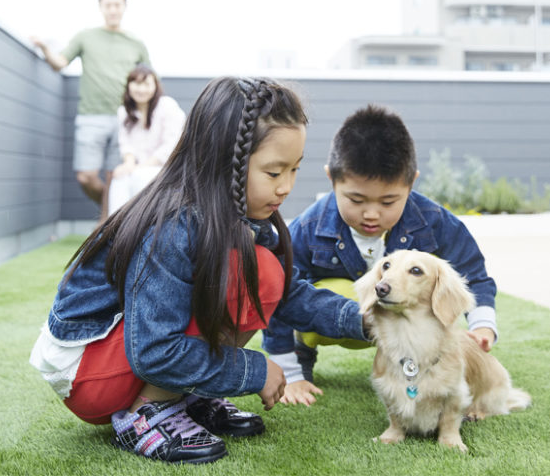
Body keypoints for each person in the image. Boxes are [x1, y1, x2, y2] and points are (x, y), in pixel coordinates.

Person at [29, 77, 369, 464]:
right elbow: (154, 351)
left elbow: (288, 293)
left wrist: (364, 320)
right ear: (226, 162)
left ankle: (189, 397)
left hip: (126, 353)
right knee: (251, 273)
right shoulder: (173, 224)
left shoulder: (232, 214)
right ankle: (148, 413)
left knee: (265, 275)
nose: (287, 186)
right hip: (91, 371)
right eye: (274, 173)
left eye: (294, 169)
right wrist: (253, 370)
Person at [263, 104, 499, 406]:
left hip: (405, 322)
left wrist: (482, 325)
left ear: (411, 182)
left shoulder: (436, 221)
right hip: (334, 318)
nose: (371, 214)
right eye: (356, 199)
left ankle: (416, 369)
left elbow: (473, 275)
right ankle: (302, 354)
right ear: (332, 180)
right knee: (301, 290)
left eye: (388, 201)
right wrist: (291, 374)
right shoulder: (307, 227)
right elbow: (279, 296)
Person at [32, 0, 151, 222]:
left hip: (126, 118)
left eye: (117, 5)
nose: (113, 9)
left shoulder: (136, 43)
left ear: (124, 7)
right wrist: (46, 48)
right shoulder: (86, 37)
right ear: (101, 8)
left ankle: (105, 228)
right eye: (108, 5)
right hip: (90, 116)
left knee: (114, 176)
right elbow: (60, 62)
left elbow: (148, 80)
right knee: (86, 176)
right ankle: (111, 211)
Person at [108, 65, 185, 215]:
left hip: (167, 169)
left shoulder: (167, 106)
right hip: (139, 168)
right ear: (129, 85)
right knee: (119, 177)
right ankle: (114, 227)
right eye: (137, 83)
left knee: (138, 177)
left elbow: (171, 144)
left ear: (155, 86)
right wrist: (128, 164)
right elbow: (126, 144)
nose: (141, 89)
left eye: (146, 84)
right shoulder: (123, 111)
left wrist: (140, 167)